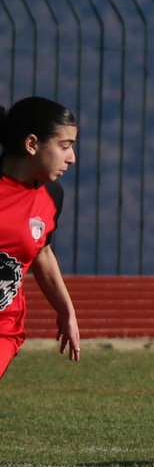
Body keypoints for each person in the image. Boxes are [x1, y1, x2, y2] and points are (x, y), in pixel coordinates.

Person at [0, 96, 81, 380]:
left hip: (3, 329)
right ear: (32, 144)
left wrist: (66, 312)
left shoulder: (51, 194)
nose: (72, 158)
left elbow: (42, 252)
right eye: (65, 146)